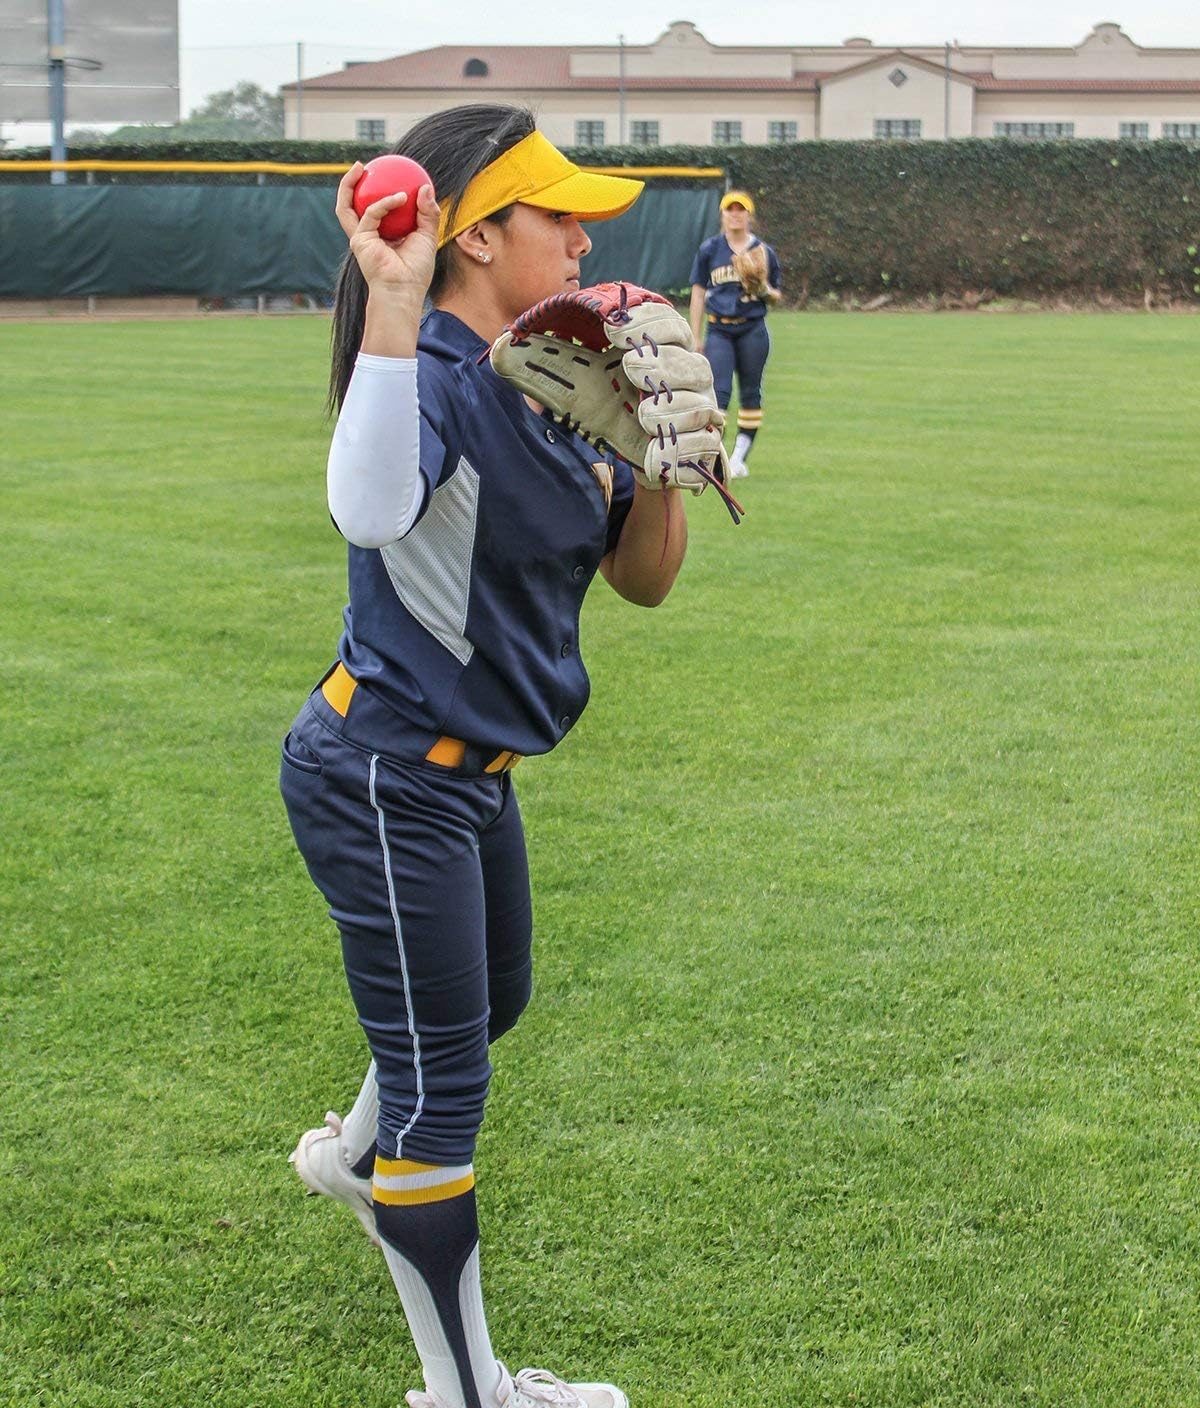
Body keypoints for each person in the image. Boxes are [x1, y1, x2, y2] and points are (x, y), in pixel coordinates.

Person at [278, 103, 713, 1408]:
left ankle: (357, 1160)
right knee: (443, 1090)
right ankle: (470, 1394)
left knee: (489, 1005)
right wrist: (394, 297)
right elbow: (368, 507)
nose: (583, 241)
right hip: (384, 772)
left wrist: (665, 456)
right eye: (557, 216)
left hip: (472, 781)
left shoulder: (557, 379)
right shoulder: (430, 376)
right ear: (474, 237)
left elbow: (644, 583)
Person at [688, 189, 781, 479]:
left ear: (749, 215)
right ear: (723, 215)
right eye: (731, 209)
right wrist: (695, 336)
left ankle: (738, 457)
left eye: (741, 209)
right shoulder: (710, 249)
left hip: (752, 328)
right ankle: (713, 457)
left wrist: (763, 289)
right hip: (719, 329)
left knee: (751, 392)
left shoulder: (763, 251)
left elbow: (776, 296)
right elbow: (698, 293)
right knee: (719, 394)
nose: (736, 214)